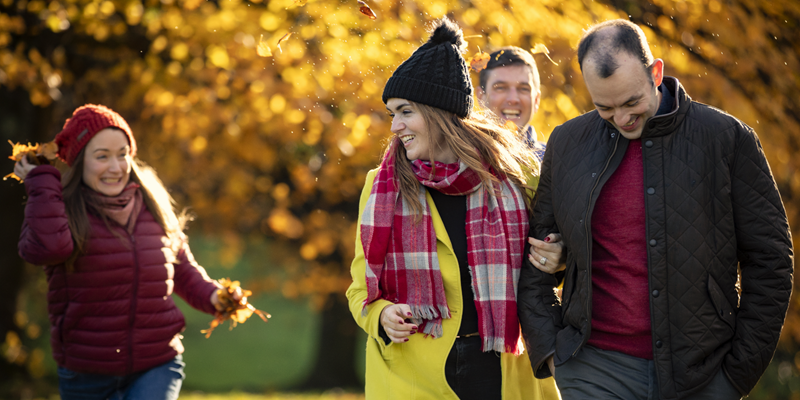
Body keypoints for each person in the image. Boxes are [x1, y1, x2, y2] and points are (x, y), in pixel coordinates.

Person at [518, 19, 793, 400]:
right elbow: (534, 254)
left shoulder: (726, 139)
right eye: (605, 108)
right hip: (592, 367)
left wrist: (735, 376)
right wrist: (551, 350)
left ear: (656, 73)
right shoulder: (567, 143)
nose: (622, 118)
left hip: (702, 372)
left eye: (632, 102)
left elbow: (771, 260)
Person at [346, 18, 560, 400]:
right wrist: (380, 316)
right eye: (392, 113)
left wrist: (557, 257)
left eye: (405, 112)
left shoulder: (517, 176)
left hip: (504, 366)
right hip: (412, 372)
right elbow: (360, 289)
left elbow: (555, 266)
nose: (395, 126)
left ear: (439, 112)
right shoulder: (381, 189)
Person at [15, 104, 241, 400]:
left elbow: (182, 270)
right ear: (80, 162)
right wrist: (42, 182)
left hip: (157, 364)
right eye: (102, 157)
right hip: (87, 373)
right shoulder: (63, 210)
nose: (116, 166)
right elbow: (48, 249)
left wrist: (215, 297)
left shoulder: (152, 205)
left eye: (122, 154)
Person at [477, 46, 546, 161]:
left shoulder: (554, 162)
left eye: (523, 89)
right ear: (480, 97)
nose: (513, 99)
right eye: (501, 88)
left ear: (536, 100)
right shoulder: (458, 159)